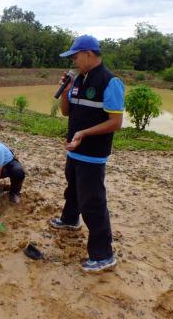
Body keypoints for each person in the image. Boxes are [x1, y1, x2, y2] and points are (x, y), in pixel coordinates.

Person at [50, 35, 124, 273]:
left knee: (93, 202)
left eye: (75, 56)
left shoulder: (110, 82)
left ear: (89, 54)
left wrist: (83, 133)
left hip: (92, 153)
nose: (73, 61)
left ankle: (104, 255)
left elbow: (116, 122)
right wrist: (65, 91)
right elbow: (65, 112)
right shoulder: (79, 79)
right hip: (74, 150)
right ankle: (70, 220)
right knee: (72, 187)